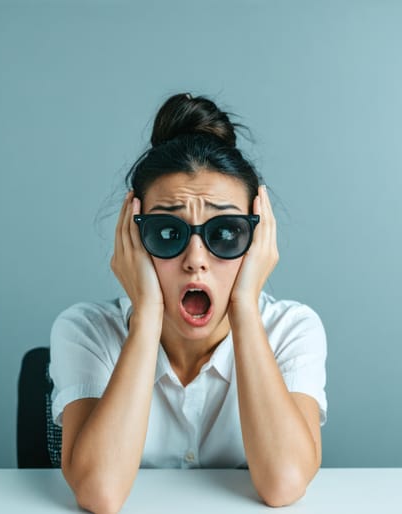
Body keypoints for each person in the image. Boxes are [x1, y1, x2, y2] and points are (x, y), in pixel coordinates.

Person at [49, 93, 327, 513]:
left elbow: (284, 484)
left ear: (257, 241)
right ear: (132, 238)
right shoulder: (85, 330)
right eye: (167, 233)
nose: (196, 260)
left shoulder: (291, 328)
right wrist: (146, 317)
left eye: (226, 233)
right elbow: (99, 493)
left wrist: (245, 306)